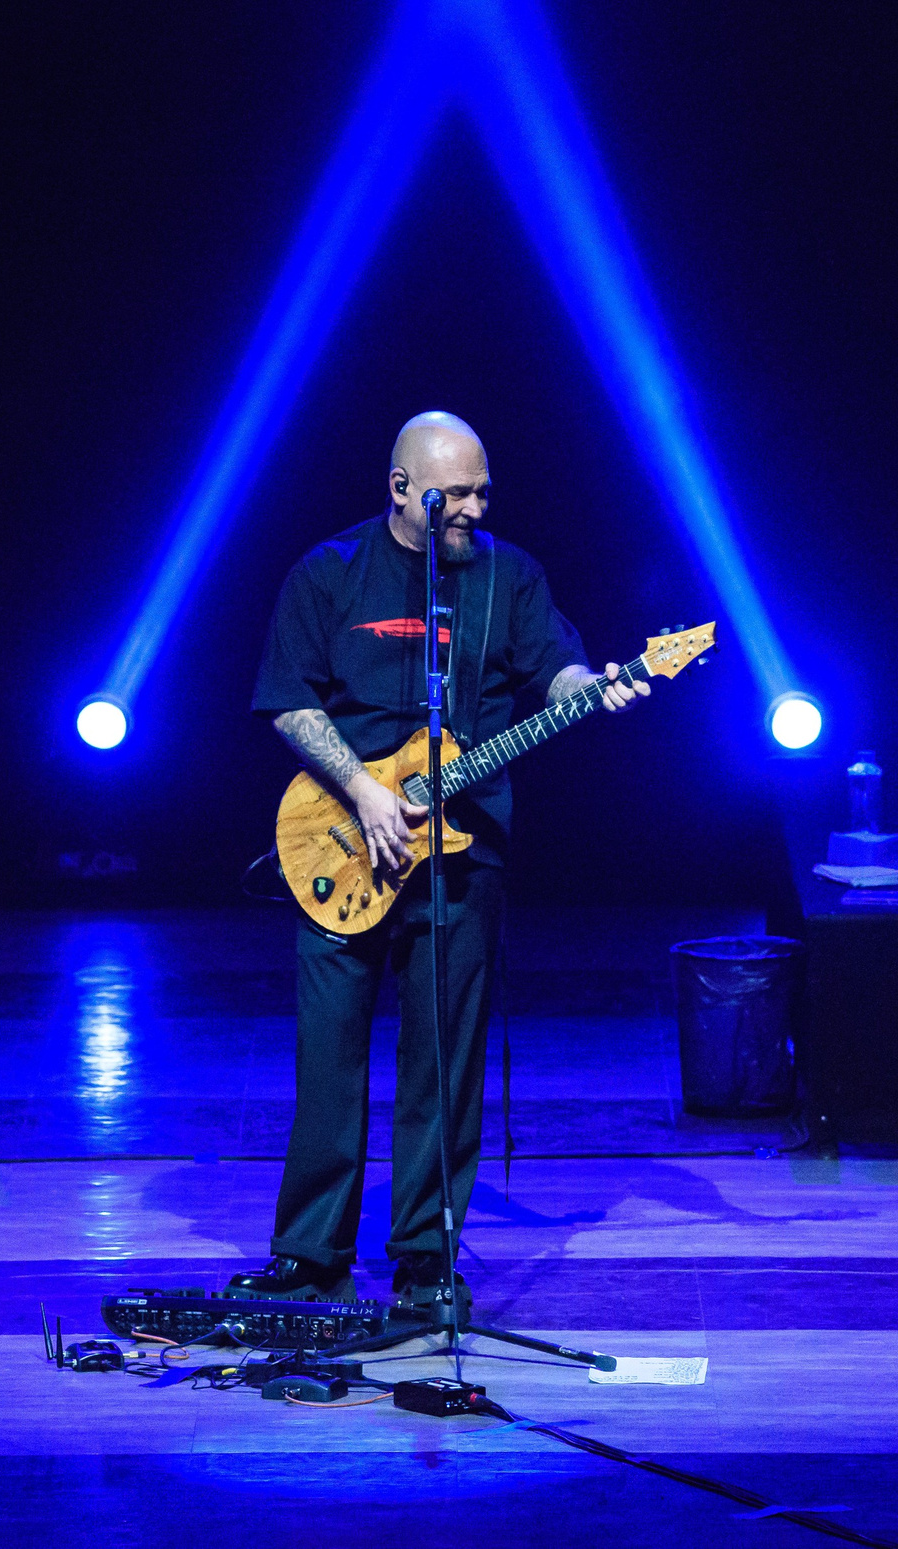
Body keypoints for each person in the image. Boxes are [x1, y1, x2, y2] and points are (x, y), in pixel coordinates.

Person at [231, 411, 650, 1309]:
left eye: (481, 491)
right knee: (329, 1056)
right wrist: (364, 789)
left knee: (444, 1061)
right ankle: (310, 1255)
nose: (471, 507)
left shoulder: (508, 575)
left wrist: (597, 688)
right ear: (399, 487)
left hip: (463, 851)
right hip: (340, 836)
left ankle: (425, 1254)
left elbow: (557, 674)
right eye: (452, 493)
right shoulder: (328, 573)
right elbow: (288, 702)